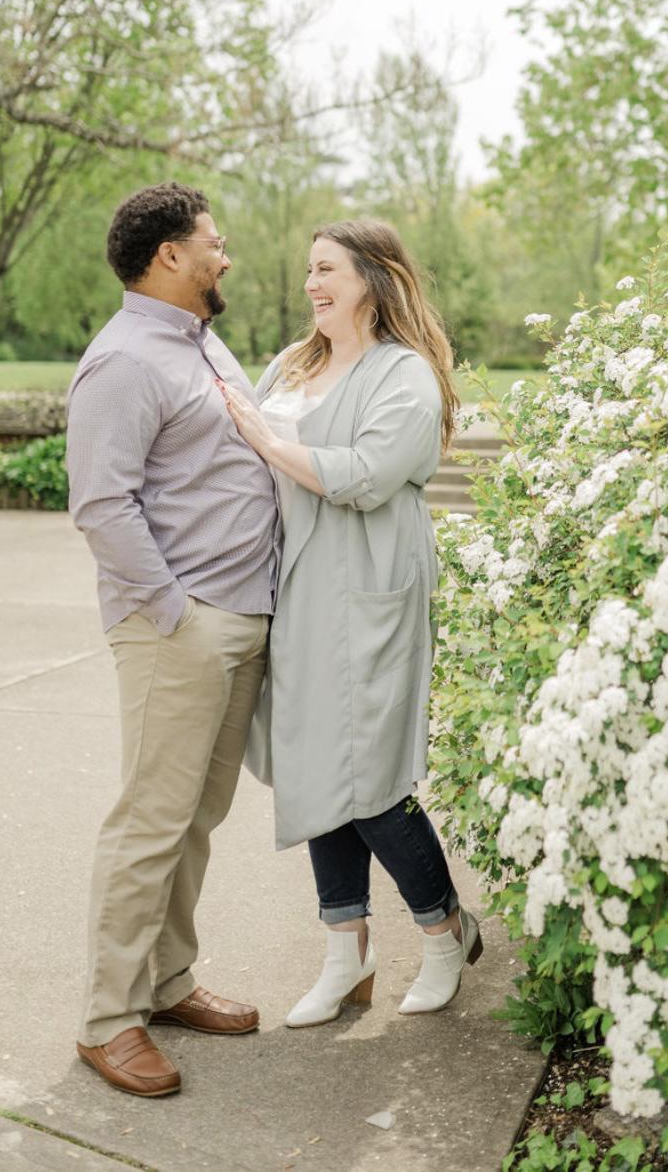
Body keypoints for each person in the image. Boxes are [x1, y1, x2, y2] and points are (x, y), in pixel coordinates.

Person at [218, 217, 483, 1026]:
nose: (311, 284)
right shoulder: (291, 363)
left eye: (327, 268)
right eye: (309, 269)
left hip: (369, 587)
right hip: (297, 588)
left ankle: (443, 931)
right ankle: (347, 953)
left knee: (370, 776)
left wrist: (267, 442)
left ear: (373, 276)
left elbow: (365, 476)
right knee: (314, 766)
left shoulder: (405, 376)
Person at [66, 182, 280, 1098]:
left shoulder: (198, 340)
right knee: (150, 822)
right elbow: (100, 504)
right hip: (179, 625)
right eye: (213, 243)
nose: (224, 256)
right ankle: (108, 1019)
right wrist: (173, 615)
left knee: (195, 817)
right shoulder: (122, 362)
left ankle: (166, 981)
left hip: (238, 614)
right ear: (170, 256)